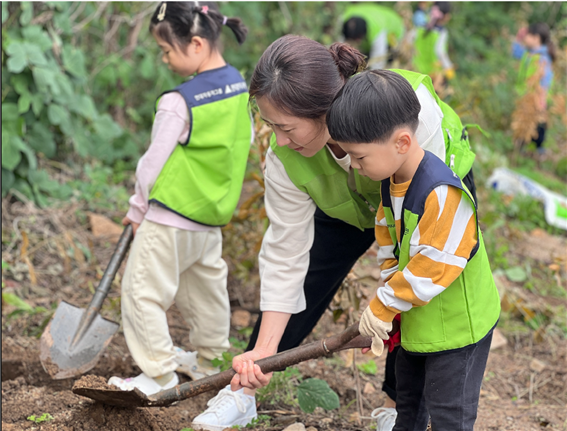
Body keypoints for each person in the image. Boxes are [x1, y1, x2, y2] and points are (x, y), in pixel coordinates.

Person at [191, 35, 478, 431]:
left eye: (286, 127)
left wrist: (384, 308)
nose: (279, 139)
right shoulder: (286, 158)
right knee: (307, 279)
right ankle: (244, 390)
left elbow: (423, 257)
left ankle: (400, 407)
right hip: (351, 206)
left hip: (420, 195)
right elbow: (284, 253)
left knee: (416, 290)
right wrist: (263, 350)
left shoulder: (405, 114)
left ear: (325, 111)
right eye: (271, 125)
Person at [326, 69, 501, 431]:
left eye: (359, 157)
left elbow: (432, 264)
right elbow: (389, 237)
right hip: (422, 320)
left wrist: (385, 304)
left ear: (402, 142)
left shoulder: (442, 193)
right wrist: (391, 304)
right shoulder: (393, 181)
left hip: (457, 329)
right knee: (409, 400)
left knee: (449, 412)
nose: (354, 166)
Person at [107, 1, 252, 396]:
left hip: (168, 217)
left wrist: (138, 208)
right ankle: (211, 363)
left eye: (168, 50)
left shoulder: (179, 101)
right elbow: (244, 143)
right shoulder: (239, 85)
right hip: (210, 219)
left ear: (196, 44)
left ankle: (158, 374)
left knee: (141, 292)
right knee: (206, 296)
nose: (165, 58)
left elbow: (151, 164)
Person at [512, 23, 556, 156]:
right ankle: (520, 151)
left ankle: (537, 152)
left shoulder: (543, 57)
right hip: (525, 97)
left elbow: (545, 80)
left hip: (537, 99)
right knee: (523, 123)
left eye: (528, 35)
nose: (525, 38)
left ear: (536, 38)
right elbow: (515, 52)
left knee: (537, 126)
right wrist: (518, 38)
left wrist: (541, 101)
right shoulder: (528, 53)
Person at [342, 3, 405, 69]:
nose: (355, 43)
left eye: (357, 39)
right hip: (374, 16)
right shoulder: (345, 18)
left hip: (395, 28)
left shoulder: (377, 29)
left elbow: (378, 61)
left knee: (391, 58)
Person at [412, 2, 455, 84]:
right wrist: (449, 67)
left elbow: (410, 42)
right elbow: (440, 52)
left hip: (414, 69)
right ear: (446, 16)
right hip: (431, 75)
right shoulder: (441, 33)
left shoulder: (420, 27)